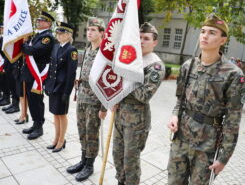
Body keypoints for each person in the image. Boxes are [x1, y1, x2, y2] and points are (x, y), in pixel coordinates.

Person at [167, 14, 245, 184]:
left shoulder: (233, 74)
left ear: (223, 40)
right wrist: (174, 115)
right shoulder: (188, 66)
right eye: (203, 31)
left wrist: (224, 157)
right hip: (181, 139)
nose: (204, 35)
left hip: (207, 145)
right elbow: (180, 99)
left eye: (212, 32)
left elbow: (233, 120)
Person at [111, 22, 165, 185]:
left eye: (146, 38)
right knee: (117, 155)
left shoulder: (155, 65)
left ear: (154, 42)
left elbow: (144, 95)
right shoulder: (131, 59)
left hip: (137, 122)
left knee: (131, 162)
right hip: (121, 115)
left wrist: (126, 75)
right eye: (139, 37)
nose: (141, 41)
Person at [66, 17, 107, 181]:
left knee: (91, 133)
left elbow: (108, 82)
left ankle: (89, 165)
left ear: (102, 33)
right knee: (82, 130)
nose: (89, 32)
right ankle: (83, 160)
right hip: (83, 96)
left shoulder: (105, 54)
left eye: (93, 30)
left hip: (95, 100)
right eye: (88, 29)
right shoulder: (88, 49)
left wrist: (104, 107)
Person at [20, 11, 55, 140]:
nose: (39, 22)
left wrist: (24, 44)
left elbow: (33, 51)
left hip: (38, 75)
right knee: (31, 100)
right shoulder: (37, 36)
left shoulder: (48, 37)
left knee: (37, 101)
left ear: (48, 24)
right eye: (39, 20)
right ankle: (35, 124)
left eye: (42, 21)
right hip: (31, 73)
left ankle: (39, 127)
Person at [45, 21, 78, 152]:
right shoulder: (55, 47)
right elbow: (51, 67)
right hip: (53, 86)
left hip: (62, 88)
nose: (58, 35)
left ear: (69, 35)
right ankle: (56, 138)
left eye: (61, 33)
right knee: (55, 113)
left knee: (61, 114)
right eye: (57, 33)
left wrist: (67, 92)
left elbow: (71, 73)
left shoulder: (71, 50)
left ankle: (61, 140)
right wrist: (47, 84)